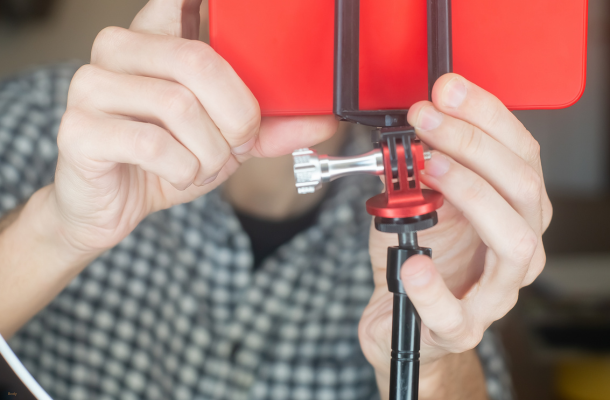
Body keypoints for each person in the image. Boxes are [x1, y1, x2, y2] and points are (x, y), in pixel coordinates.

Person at [0, 0, 550, 399]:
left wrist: (430, 364)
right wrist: (57, 230)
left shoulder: (439, 204)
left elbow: (456, 364)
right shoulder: (37, 123)